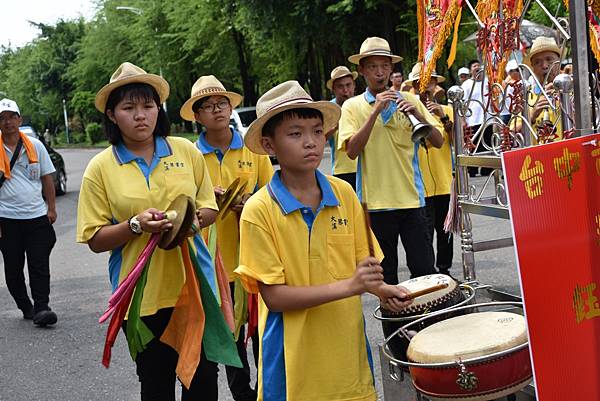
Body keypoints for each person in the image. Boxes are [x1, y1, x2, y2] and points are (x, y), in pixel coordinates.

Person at [235, 80, 412, 401]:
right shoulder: (258, 210)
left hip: (348, 358)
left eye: (317, 131)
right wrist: (352, 286)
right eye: (295, 133)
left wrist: (383, 290)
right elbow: (274, 298)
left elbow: (359, 267)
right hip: (293, 365)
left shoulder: (343, 194)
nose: (310, 142)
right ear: (269, 144)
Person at [77, 62, 237, 401]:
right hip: (142, 296)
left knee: (203, 383)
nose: (141, 116)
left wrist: (186, 224)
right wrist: (135, 225)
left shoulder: (185, 150)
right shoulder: (101, 167)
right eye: (129, 107)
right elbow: (94, 238)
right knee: (156, 385)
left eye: (148, 106)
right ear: (111, 114)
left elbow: (208, 208)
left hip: (193, 288)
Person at [180, 75, 273, 401]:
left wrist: (248, 204)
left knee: (262, 332)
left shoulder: (253, 149)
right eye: (208, 106)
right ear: (197, 115)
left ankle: (266, 390)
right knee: (232, 337)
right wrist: (208, 201)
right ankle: (241, 393)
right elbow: (182, 205)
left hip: (255, 257)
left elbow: (271, 195)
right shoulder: (189, 156)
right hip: (215, 261)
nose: (217, 110)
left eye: (222, 103)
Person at [339, 37, 442, 287]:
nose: (380, 72)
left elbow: (438, 141)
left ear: (391, 69)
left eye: (384, 66)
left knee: (424, 271)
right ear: (362, 70)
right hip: (374, 204)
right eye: (373, 67)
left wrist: (416, 113)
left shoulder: (411, 100)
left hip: (412, 200)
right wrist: (375, 111)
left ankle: (426, 324)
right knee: (386, 277)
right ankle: (396, 327)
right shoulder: (352, 106)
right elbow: (352, 151)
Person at [0, 98, 58, 326]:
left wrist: (51, 208)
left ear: (19, 119)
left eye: (12, 117)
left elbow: (47, 178)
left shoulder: (35, 145)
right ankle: (26, 306)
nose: (7, 122)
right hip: (6, 219)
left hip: (36, 216)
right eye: (2, 118)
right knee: (13, 269)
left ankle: (42, 307)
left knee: (39, 264)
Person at [403, 63, 454, 277]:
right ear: (414, 86)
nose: (425, 87)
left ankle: (444, 270)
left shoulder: (448, 110)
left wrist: (443, 116)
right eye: (420, 83)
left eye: (430, 81)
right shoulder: (408, 111)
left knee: (445, 231)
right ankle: (428, 272)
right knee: (423, 233)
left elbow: (459, 140)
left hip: (444, 180)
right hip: (420, 183)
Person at [325, 66, 358, 189]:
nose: (345, 90)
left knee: (366, 207)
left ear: (354, 85)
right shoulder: (329, 110)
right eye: (340, 86)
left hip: (365, 166)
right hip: (342, 170)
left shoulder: (361, 104)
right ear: (333, 89)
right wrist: (335, 126)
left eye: (348, 85)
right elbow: (320, 139)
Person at [527, 36, 563, 143]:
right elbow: (513, 131)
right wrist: (532, 116)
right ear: (532, 68)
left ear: (559, 62)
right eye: (538, 62)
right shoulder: (527, 96)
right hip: (539, 157)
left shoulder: (575, 91)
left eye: (549, 59)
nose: (545, 66)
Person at [461, 59, 492, 176]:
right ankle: (472, 169)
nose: (477, 67)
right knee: (473, 145)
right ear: (470, 70)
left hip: (487, 118)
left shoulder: (487, 82)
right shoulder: (466, 85)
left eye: (478, 65)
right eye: (474, 66)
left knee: (487, 144)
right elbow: (463, 103)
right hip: (472, 119)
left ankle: (486, 169)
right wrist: (463, 119)